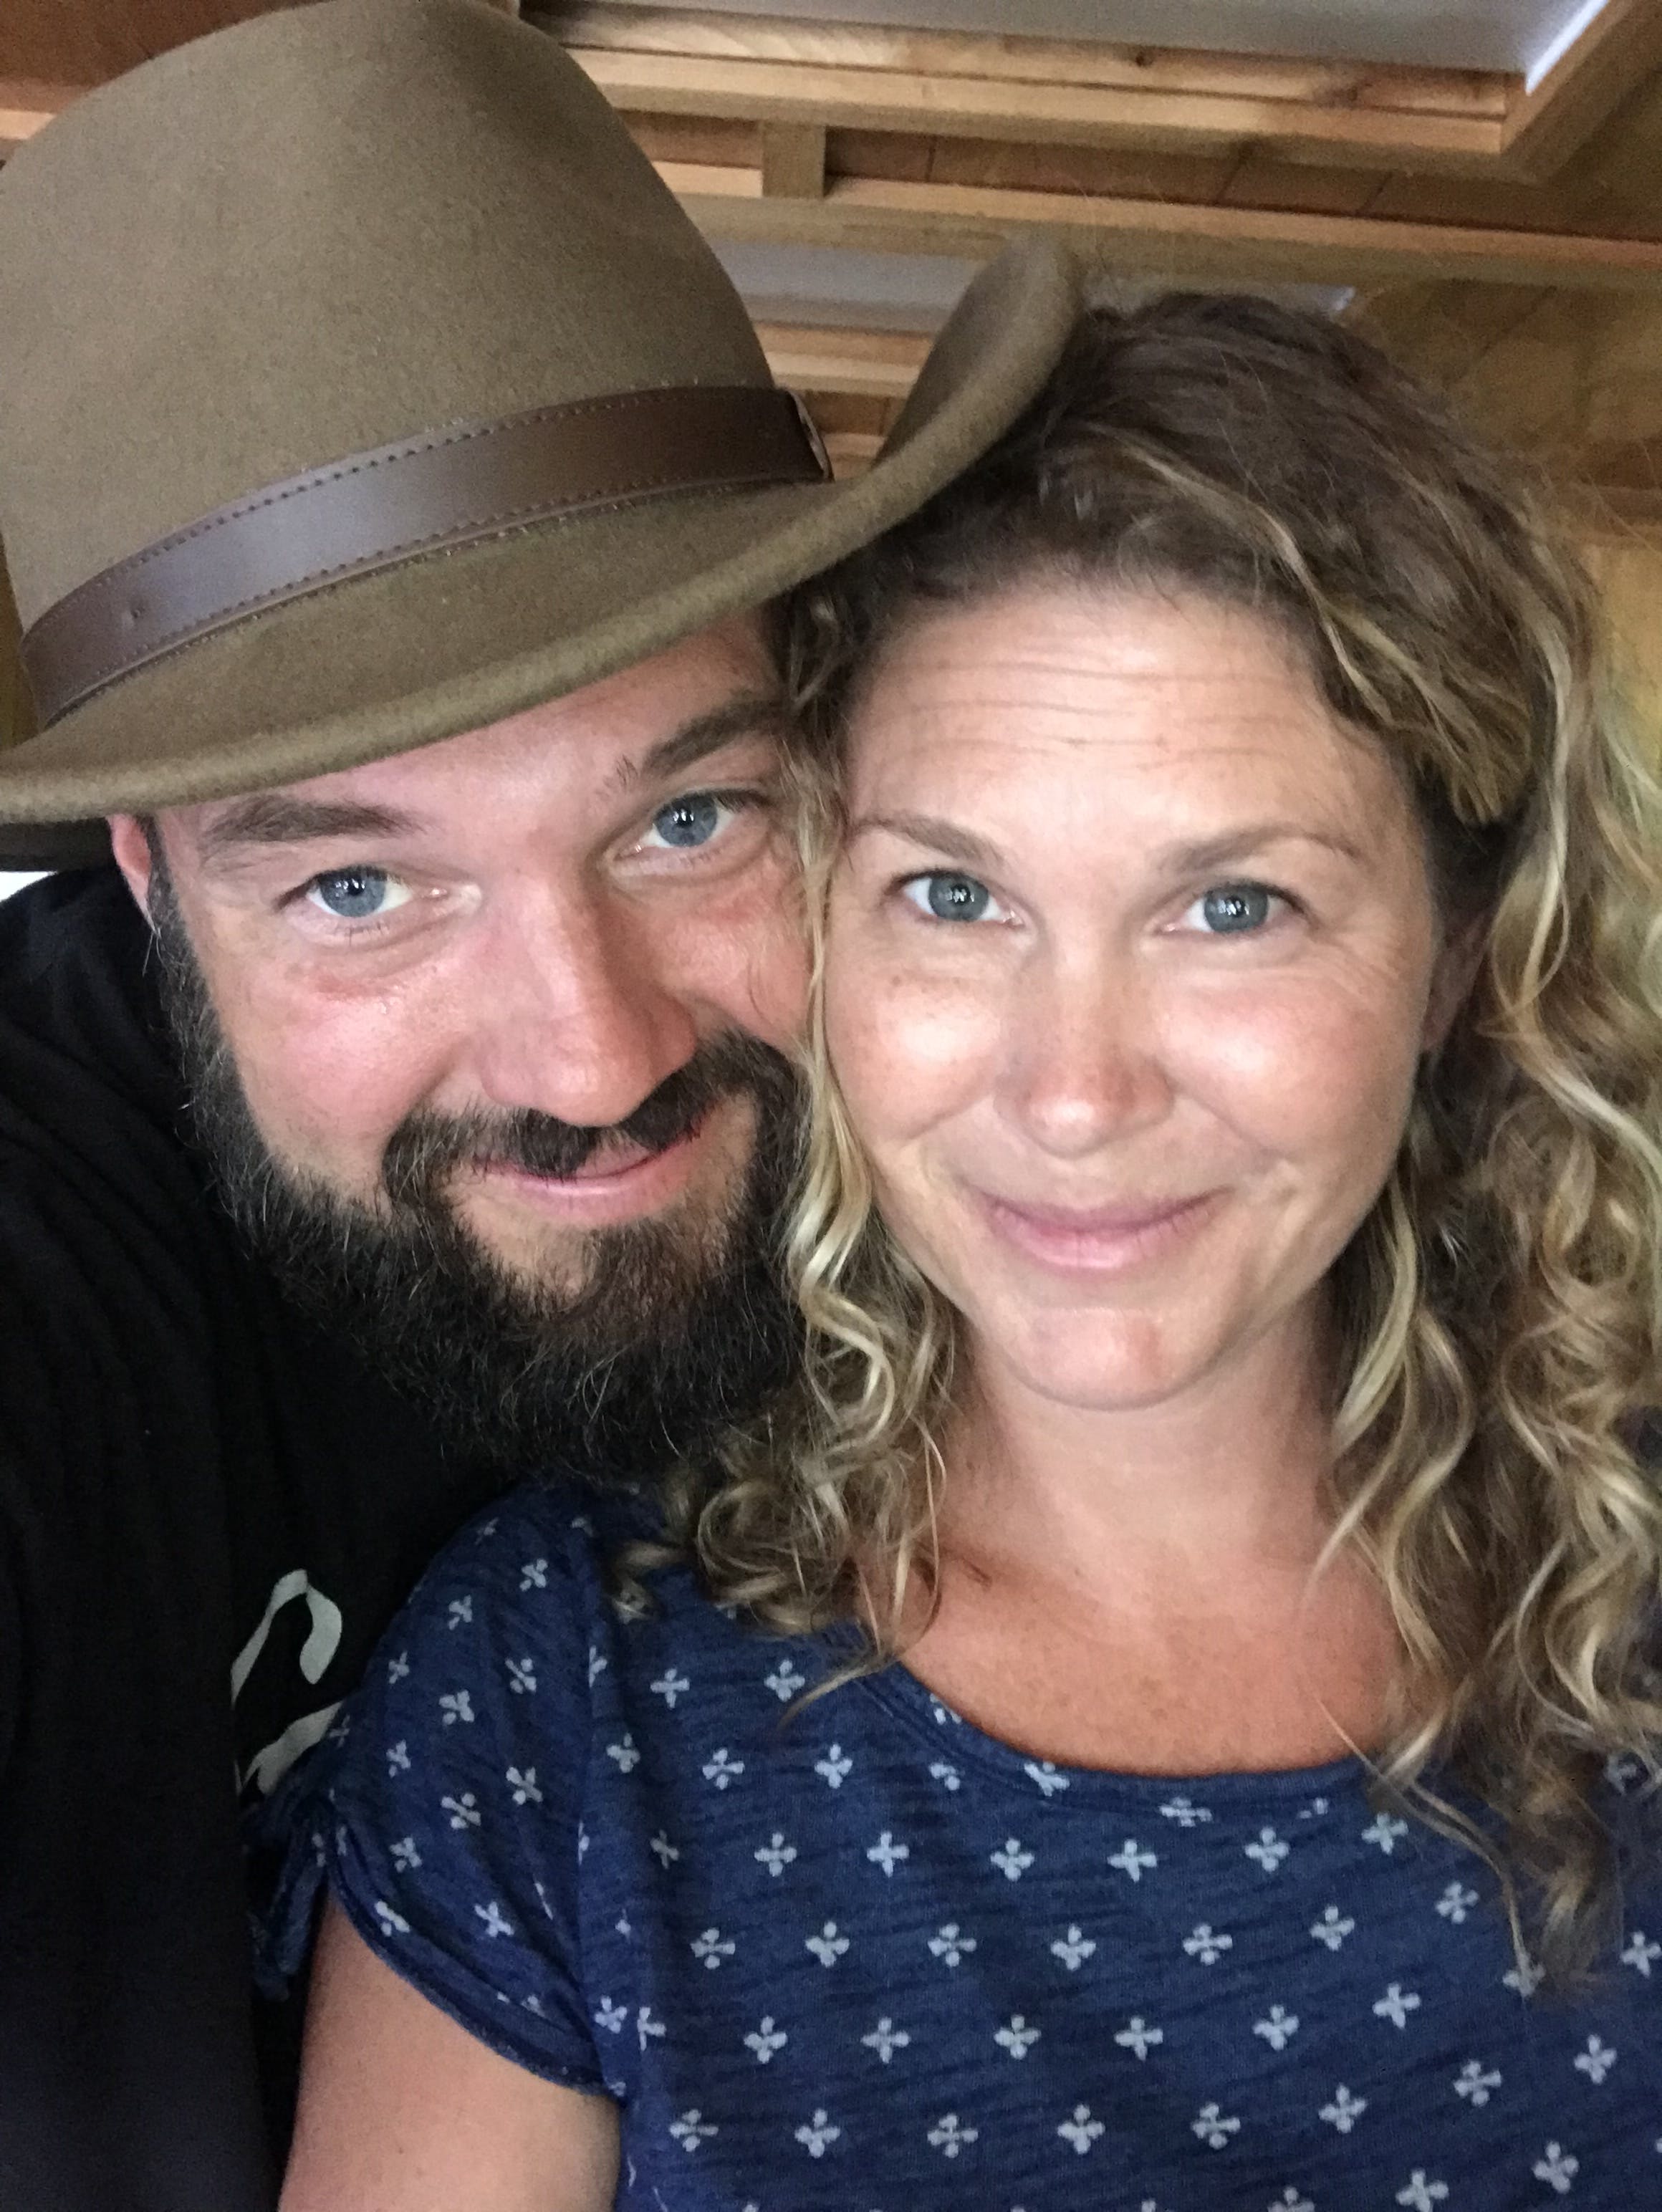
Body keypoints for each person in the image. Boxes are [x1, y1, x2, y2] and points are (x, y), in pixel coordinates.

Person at [263, 293, 1662, 2210]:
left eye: (1235, 906)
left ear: (1461, 961)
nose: (1074, 1092)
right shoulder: (566, 1692)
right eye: (954, 893)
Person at [0, 1, 1077, 2201]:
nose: (596, 1057)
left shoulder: (1009, 1099)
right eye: (365, 884)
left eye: (692, 824)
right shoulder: (54, 1254)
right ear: (141, 874)